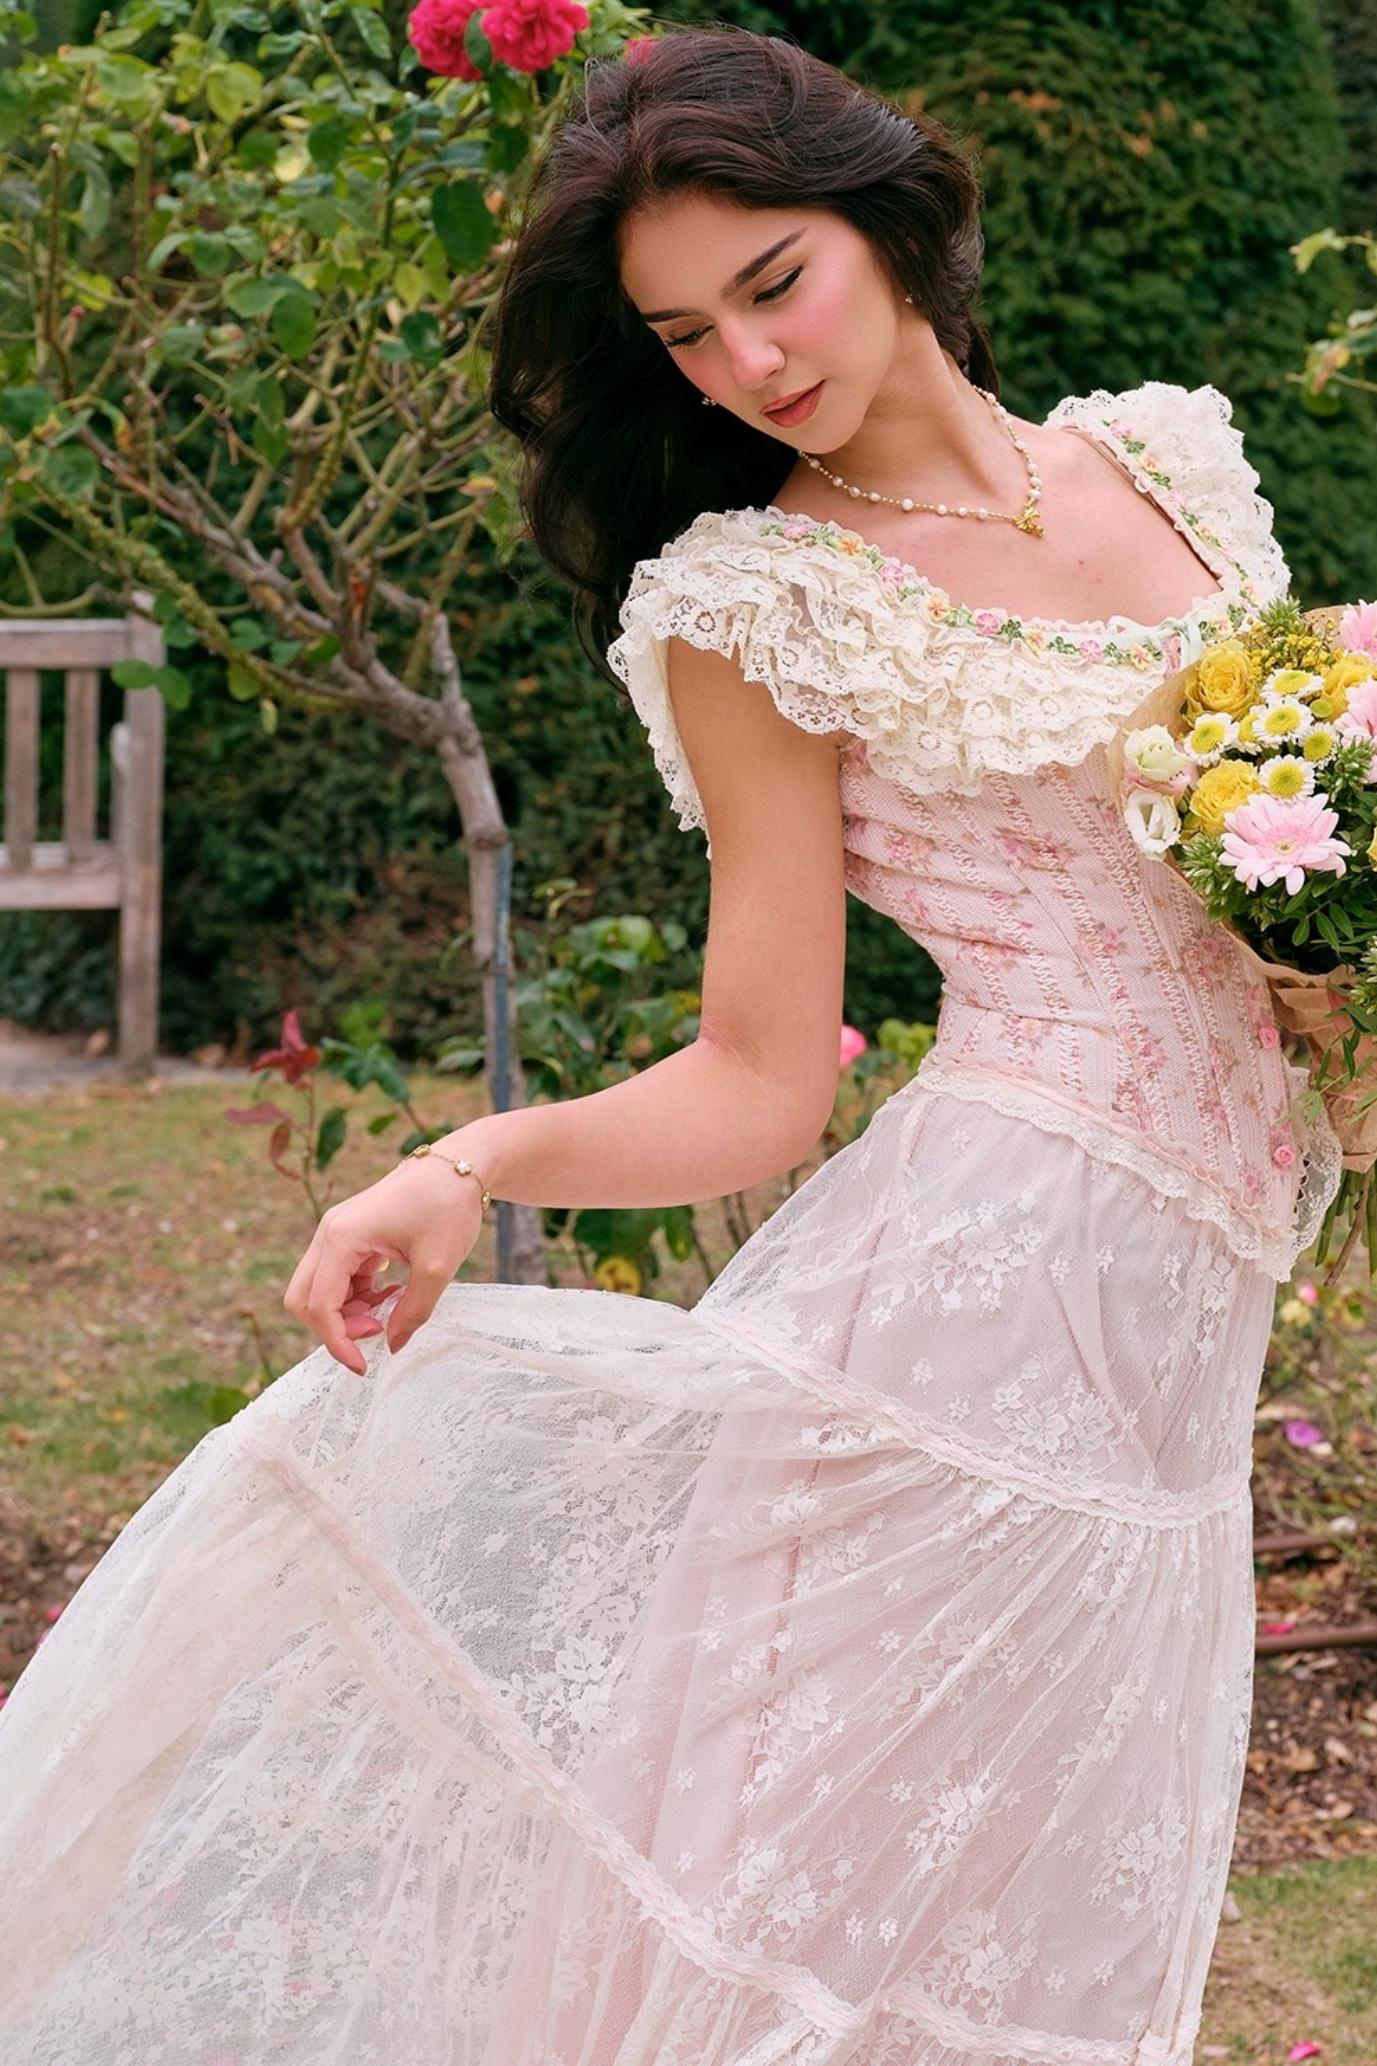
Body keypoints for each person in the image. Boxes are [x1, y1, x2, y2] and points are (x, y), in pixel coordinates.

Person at [0, 24, 1347, 2066]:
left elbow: (1268, 873)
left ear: (884, 214)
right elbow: (759, 1072)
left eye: (771, 282)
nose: (747, 361)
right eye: (686, 335)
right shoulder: (758, 606)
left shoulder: (1159, 462)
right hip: (970, 1320)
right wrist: (462, 1166)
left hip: (1176, 1344)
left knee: (1032, 1918)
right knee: (790, 1900)